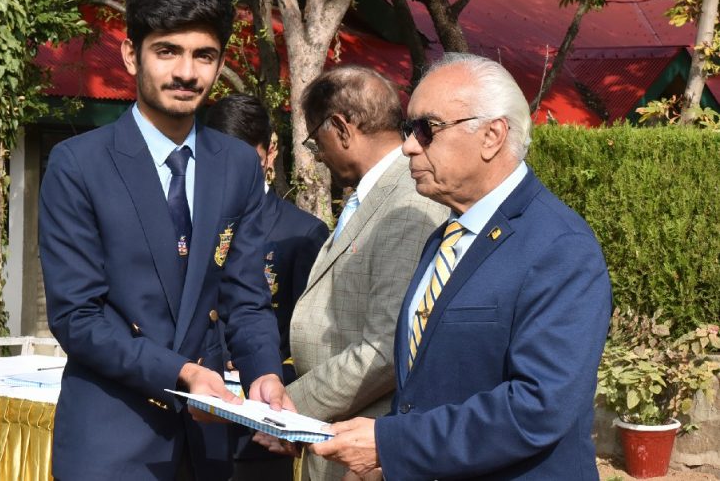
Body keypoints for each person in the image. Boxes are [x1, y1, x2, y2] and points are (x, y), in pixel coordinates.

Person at [308, 53, 613, 480]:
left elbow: (538, 407)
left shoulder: (560, 247)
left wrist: (392, 444)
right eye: (408, 129)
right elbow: (426, 387)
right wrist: (391, 464)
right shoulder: (445, 237)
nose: (409, 146)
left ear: (491, 136)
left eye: (426, 129)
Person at [38, 0, 292, 480]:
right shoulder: (78, 164)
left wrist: (265, 372)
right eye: (168, 51)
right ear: (132, 55)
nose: (186, 72)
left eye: (204, 55)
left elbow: (245, 297)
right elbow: (78, 317)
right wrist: (181, 372)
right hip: (111, 441)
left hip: (210, 440)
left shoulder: (236, 165)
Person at [255, 65, 449, 481]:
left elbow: (387, 346)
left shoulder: (408, 201)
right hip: (335, 433)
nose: (317, 154)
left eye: (315, 140)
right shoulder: (374, 194)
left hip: (364, 449)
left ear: (342, 128)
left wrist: (290, 406)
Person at [203, 93, 329, 480]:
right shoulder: (195, 222)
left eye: (247, 162)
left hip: (260, 430)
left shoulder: (303, 233)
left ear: (270, 151)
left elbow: (305, 339)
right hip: (197, 424)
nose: (234, 176)